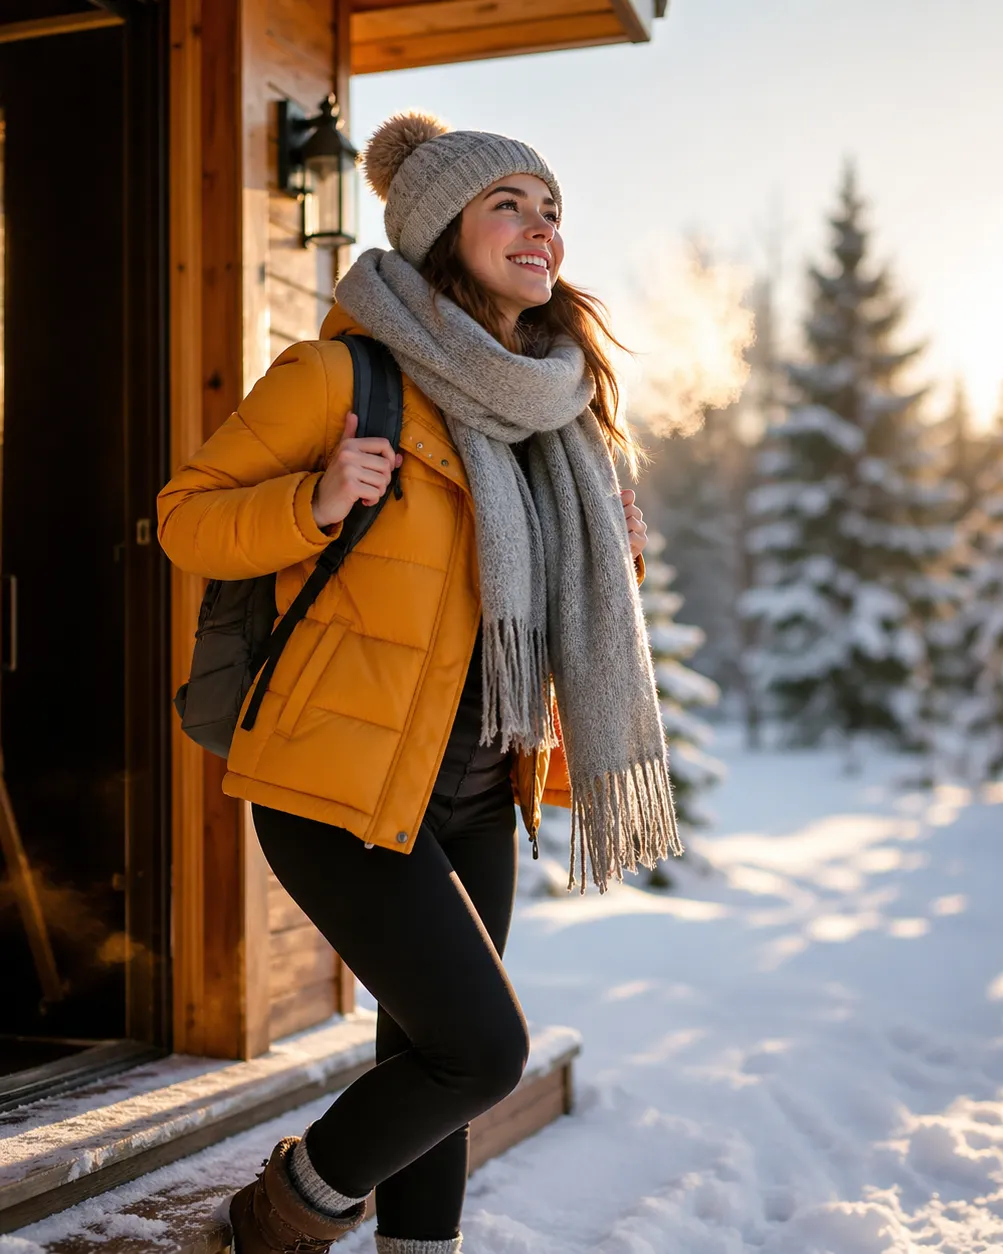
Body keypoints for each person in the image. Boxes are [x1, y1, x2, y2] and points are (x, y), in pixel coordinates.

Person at [157, 111, 681, 1254]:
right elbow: (183, 521)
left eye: (552, 209)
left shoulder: (556, 405)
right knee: (481, 1052)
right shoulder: (341, 375)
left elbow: (517, 603)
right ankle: (281, 1216)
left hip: (479, 782)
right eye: (511, 203)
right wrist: (317, 499)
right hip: (335, 780)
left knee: (425, 1051)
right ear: (445, 224)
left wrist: (616, 546)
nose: (542, 228)